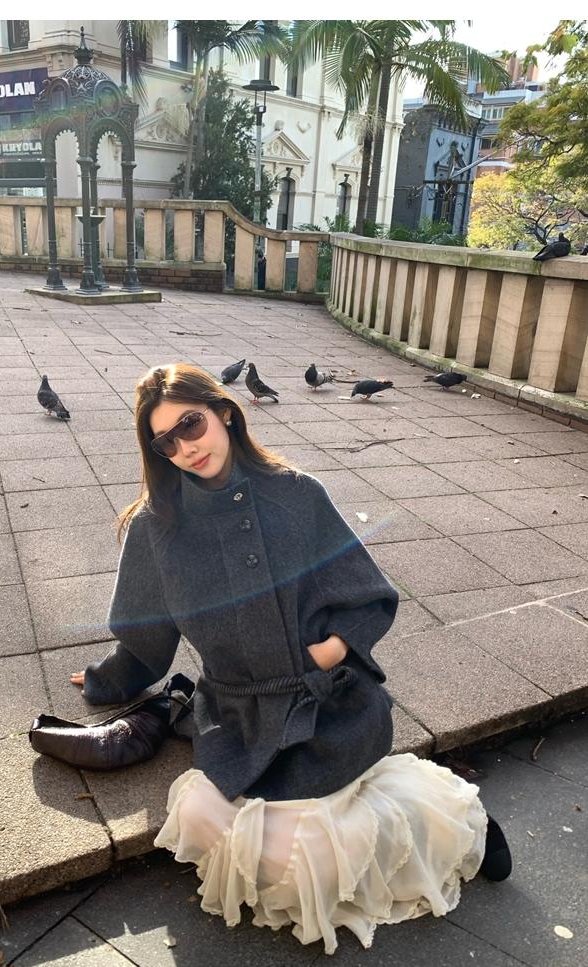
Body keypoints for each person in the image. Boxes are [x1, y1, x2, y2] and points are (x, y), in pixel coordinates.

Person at [70, 363, 511, 954]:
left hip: (326, 701)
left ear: (225, 412)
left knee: (326, 840)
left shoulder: (297, 494)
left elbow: (367, 593)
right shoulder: (156, 527)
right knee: (255, 842)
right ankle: (425, 824)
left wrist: (334, 649)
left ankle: (462, 826)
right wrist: (107, 680)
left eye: (191, 425)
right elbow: (144, 636)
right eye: (165, 442)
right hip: (239, 718)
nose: (185, 447)